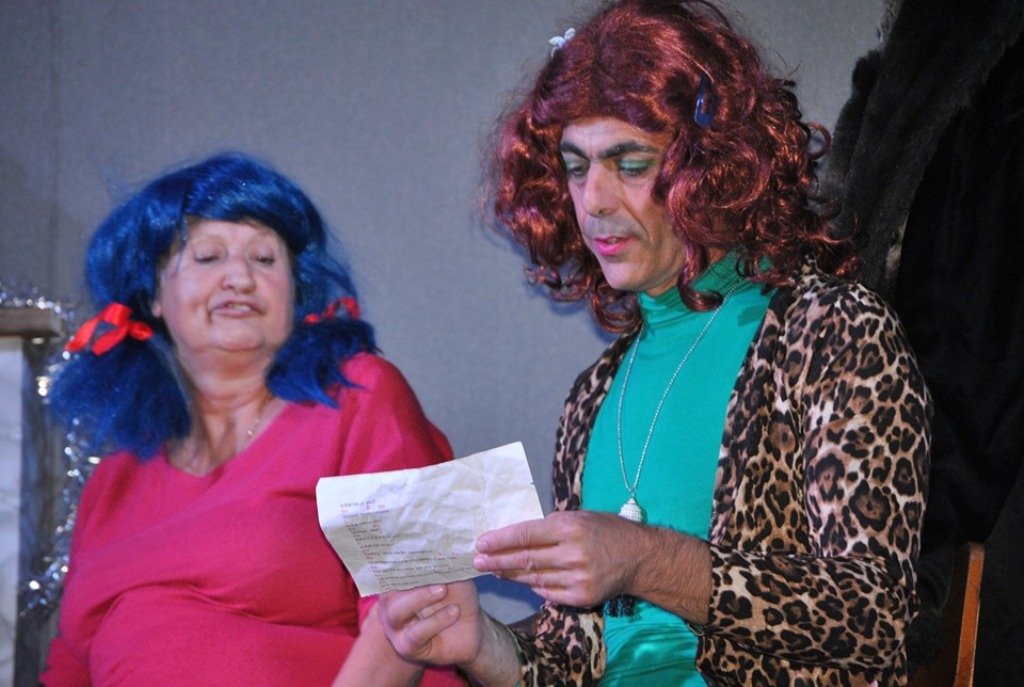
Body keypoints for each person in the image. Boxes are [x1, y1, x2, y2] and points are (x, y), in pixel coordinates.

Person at [370, 1, 932, 685]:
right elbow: (576, 662)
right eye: (575, 168)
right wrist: (482, 643)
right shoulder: (594, 394)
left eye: (629, 164)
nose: (594, 200)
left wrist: (645, 558)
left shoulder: (833, 332)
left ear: (714, 167)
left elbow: (874, 619)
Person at [41, 152, 464, 686]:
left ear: (296, 291)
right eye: (208, 256)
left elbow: (419, 607)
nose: (240, 277)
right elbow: (70, 667)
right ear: (152, 295)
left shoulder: (362, 394)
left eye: (264, 259)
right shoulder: (112, 482)